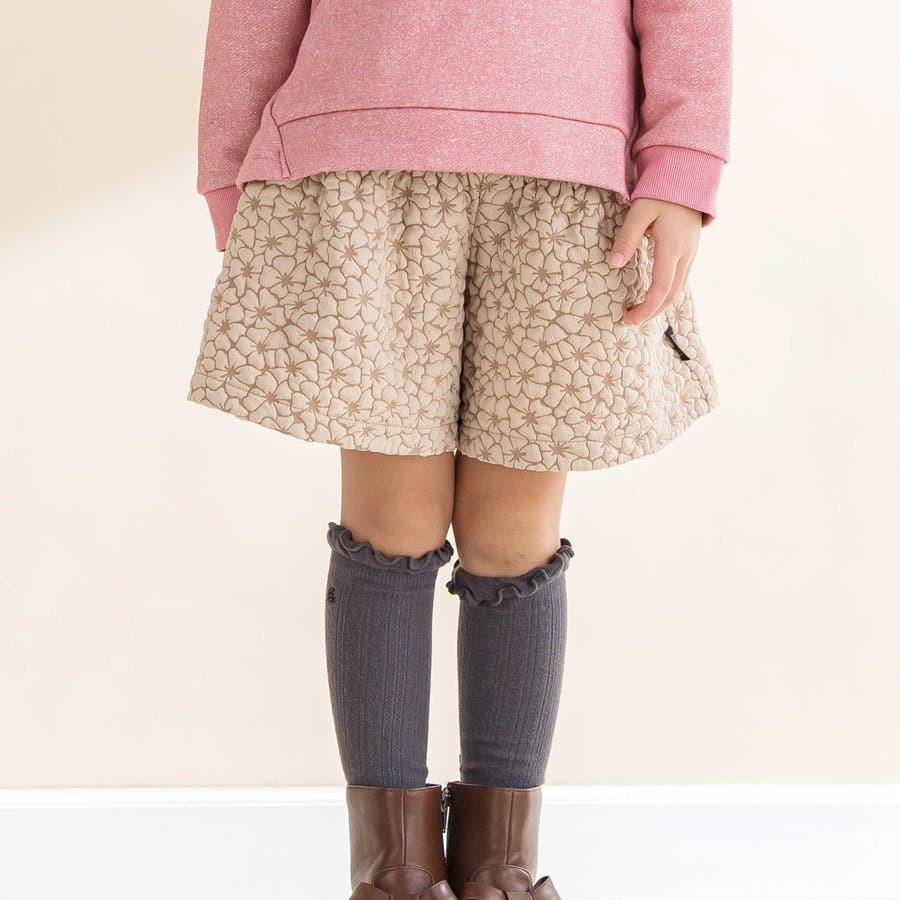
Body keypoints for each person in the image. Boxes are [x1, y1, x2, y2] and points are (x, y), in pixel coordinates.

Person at [187, 0, 732, 895]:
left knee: (514, 535)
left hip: (573, 181)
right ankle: (392, 873)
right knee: (389, 522)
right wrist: (230, 171)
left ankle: (500, 870)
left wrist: (682, 163)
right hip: (359, 162)